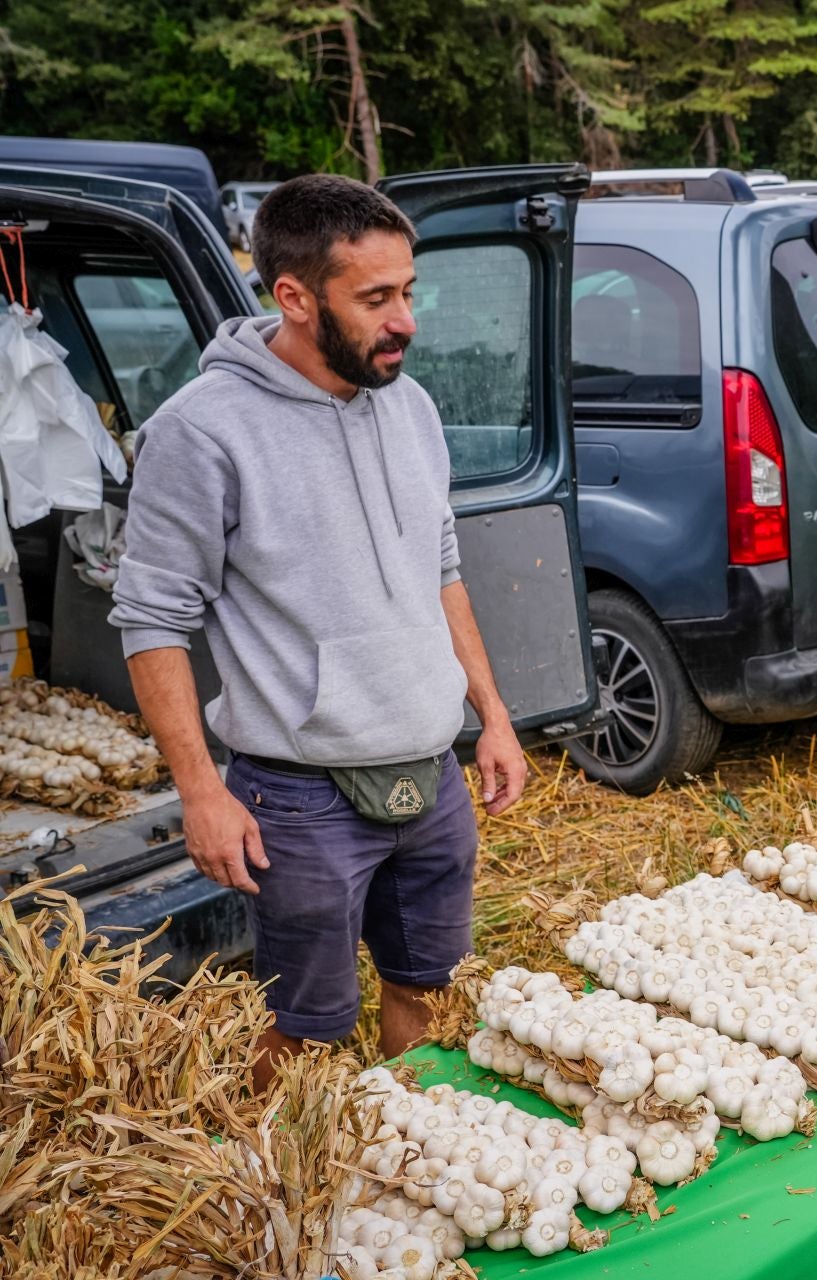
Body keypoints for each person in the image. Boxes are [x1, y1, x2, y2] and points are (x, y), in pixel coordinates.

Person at [109, 174, 527, 1088]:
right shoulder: (202, 432)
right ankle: (284, 1192)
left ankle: (410, 1152)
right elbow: (152, 619)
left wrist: (490, 715)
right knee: (304, 1026)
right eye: (375, 298)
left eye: (408, 291)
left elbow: (442, 569)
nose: (405, 319)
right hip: (300, 798)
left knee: (426, 986)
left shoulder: (411, 407)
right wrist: (201, 793)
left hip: (432, 769)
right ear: (293, 296)